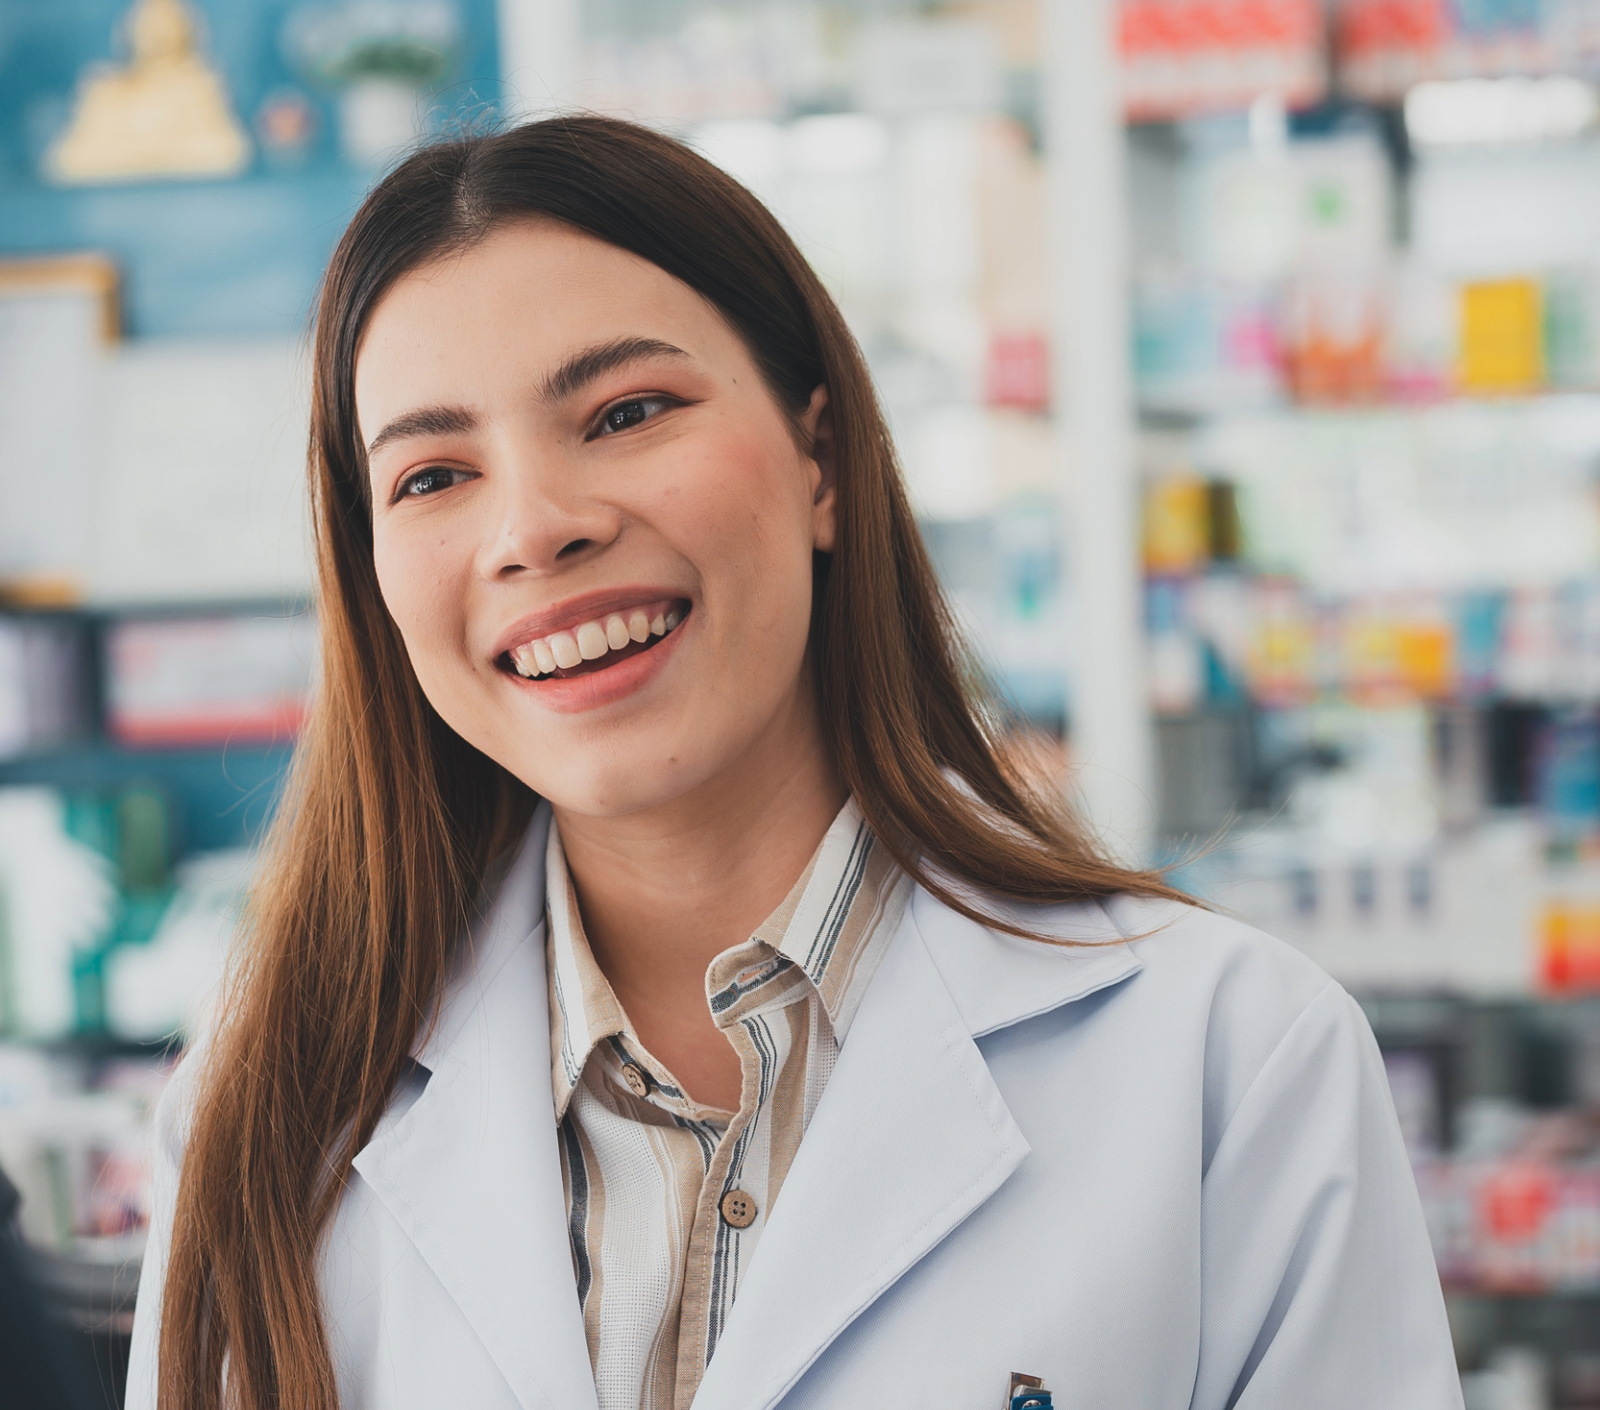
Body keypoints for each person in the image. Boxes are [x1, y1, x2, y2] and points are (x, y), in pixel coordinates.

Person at [126, 117, 1463, 1410]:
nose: (534, 530)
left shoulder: (1229, 1059)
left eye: (625, 410)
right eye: (431, 477)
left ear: (820, 458)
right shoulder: (261, 1127)